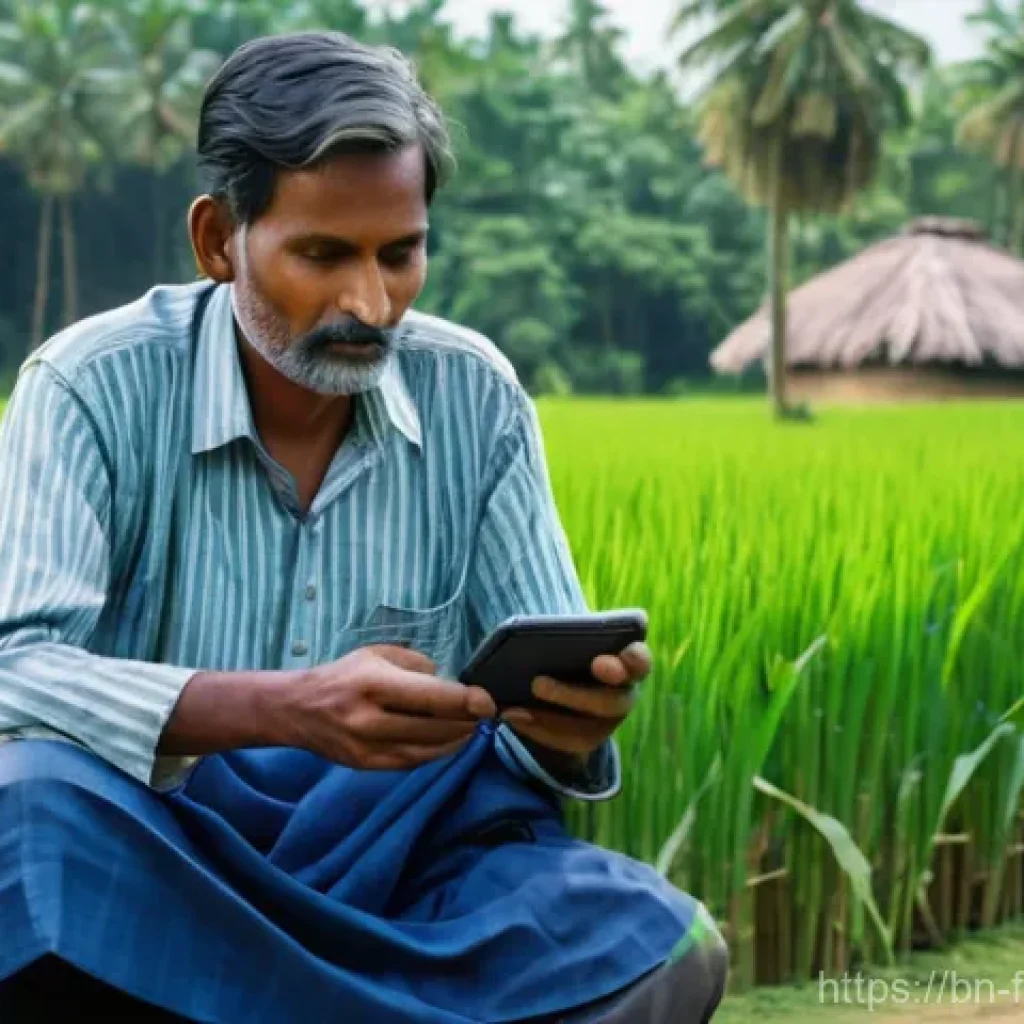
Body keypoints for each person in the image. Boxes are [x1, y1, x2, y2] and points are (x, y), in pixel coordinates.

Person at [0, 30, 728, 1024]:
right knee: (30, 806)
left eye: (401, 252)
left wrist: (563, 732)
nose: (368, 301)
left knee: (651, 937)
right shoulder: (89, 385)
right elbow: (16, 673)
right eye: (322, 253)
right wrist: (285, 705)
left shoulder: (475, 395)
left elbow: (520, 730)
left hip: (392, 861)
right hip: (161, 851)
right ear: (219, 240)